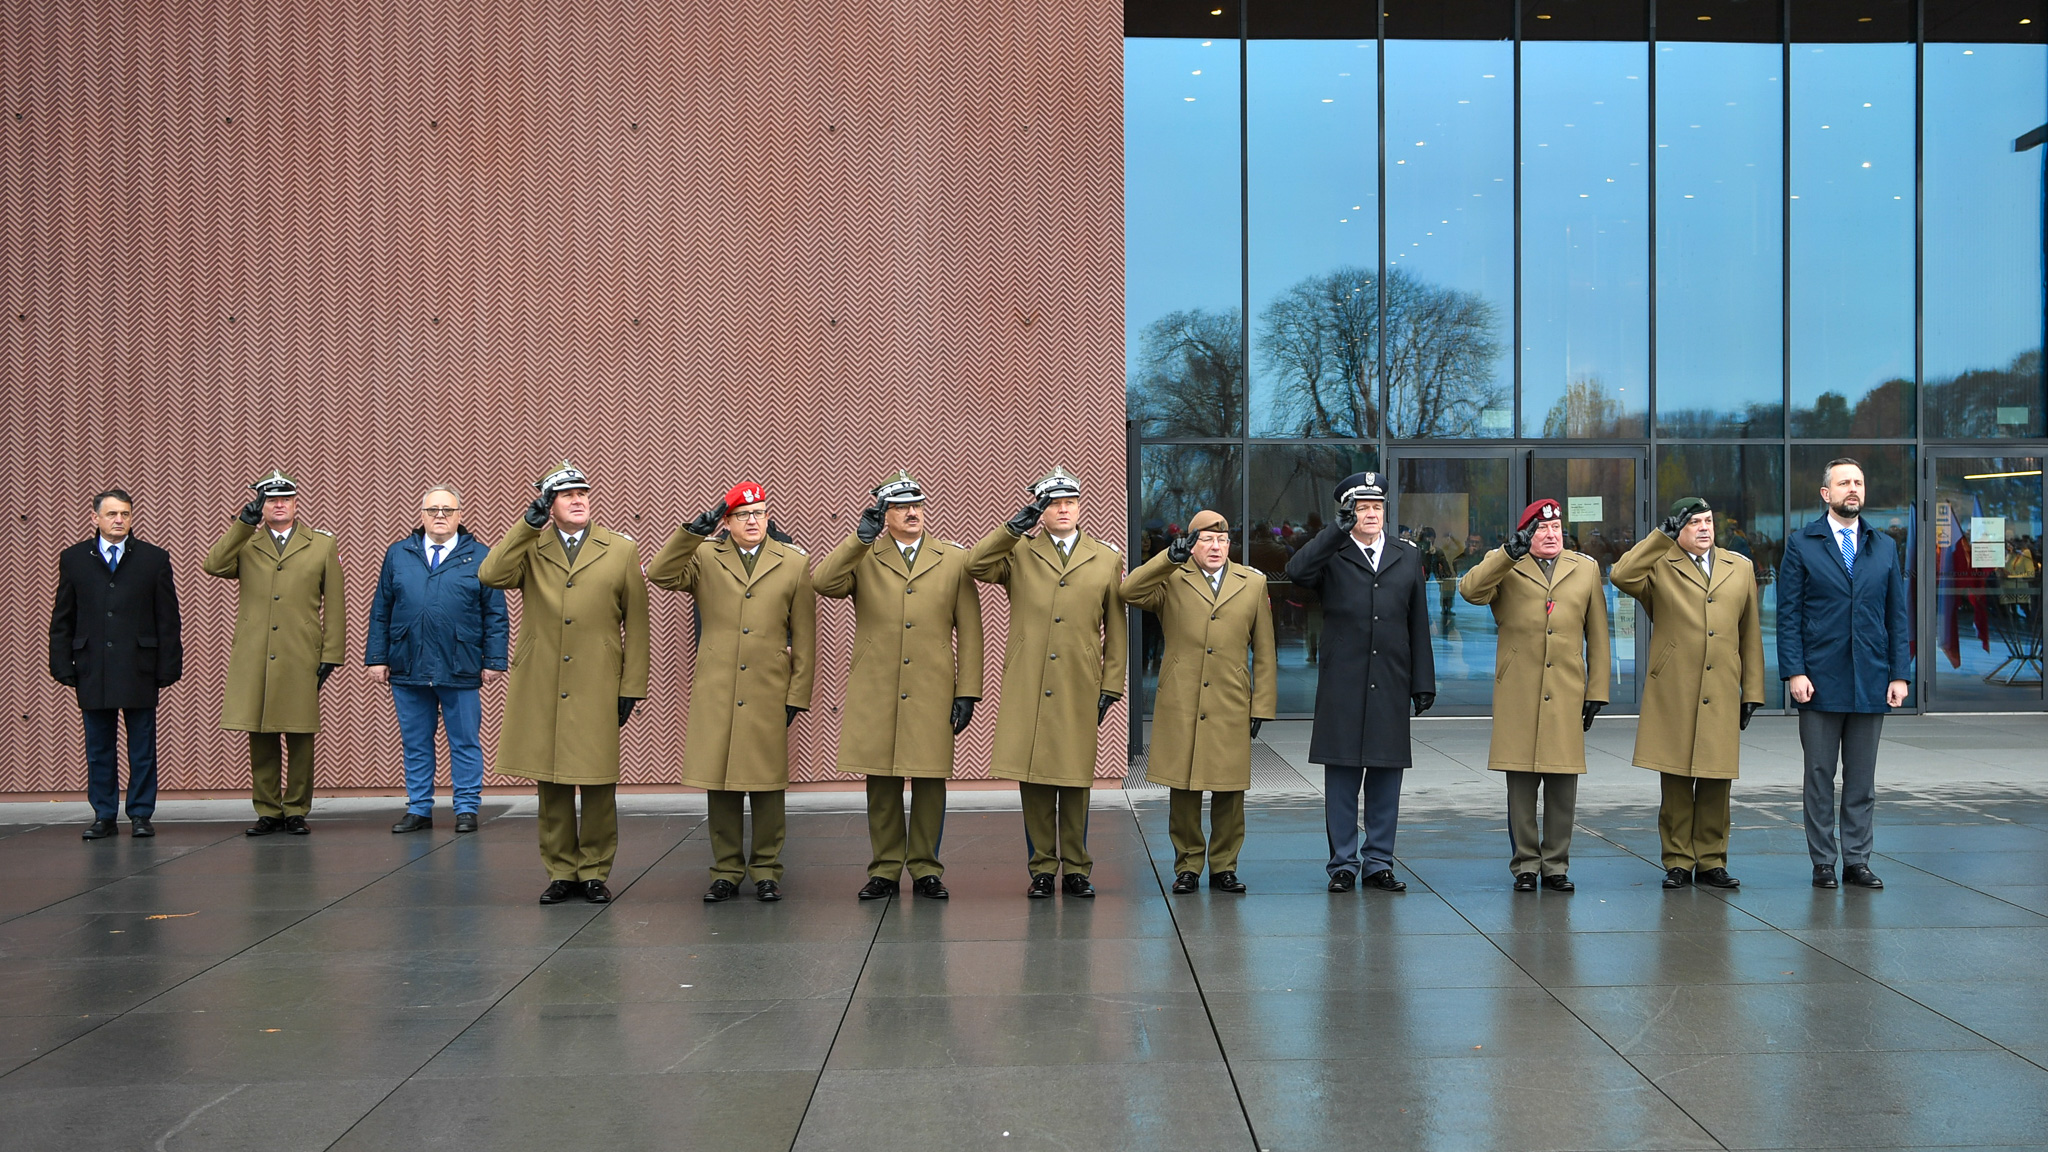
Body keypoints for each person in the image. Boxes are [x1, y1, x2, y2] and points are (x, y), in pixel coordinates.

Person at [479, 462, 650, 905]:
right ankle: (560, 871)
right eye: (566, 495)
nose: (578, 500)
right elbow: (490, 575)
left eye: (582, 493)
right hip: (543, 681)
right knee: (550, 780)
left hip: (598, 680)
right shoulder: (530, 547)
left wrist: (632, 686)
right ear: (548, 504)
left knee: (597, 781)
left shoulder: (619, 548)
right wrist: (526, 526)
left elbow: (637, 622)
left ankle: (593, 871)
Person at [814, 470, 984, 901]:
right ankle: (885, 869)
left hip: (932, 686)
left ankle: (926, 868)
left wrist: (967, 691)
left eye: (917, 505)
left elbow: (970, 630)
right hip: (878, 686)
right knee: (882, 782)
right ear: (883, 514)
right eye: (901, 507)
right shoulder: (863, 556)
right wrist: (858, 540)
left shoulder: (953, 559)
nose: (912, 512)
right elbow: (823, 582)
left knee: (930, 780)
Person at [647, 482, 816, 902]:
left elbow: (805, 635)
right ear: (727, 521)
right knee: (719, 782)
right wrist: (691, 533)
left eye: (759, 513)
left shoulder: (793, 561)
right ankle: (725, 871)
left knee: (768, 784)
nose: (753, 520)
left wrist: (798, 694)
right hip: (719, 685)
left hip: (768, 686)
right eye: (743, 515)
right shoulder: (705, 556)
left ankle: (766, 871)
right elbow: (660, 573)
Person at [968, 467, 1128, 898]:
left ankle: (1076, 869)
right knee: (1034, 778)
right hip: (1030, 681)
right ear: (1041, 510)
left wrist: (1111, 684)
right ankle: (1041, 868)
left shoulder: (1105, 557)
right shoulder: (1019, 552)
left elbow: (1116, 627)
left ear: (1079, 506)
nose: (1063, 509)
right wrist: (1011, 529)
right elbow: (975, 565)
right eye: (1053, 504)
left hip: (1079, 682)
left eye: (1069, 502)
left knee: (1076, 779)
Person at [1282, 472, 1435, 893]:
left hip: (1390, 680)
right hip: (1343, 683)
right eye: (1362, 507)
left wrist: (1423, 682)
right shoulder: (1332, 552)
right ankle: (1343, 865)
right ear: (1348, 512)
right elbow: (1296, 571)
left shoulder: (1406, 555)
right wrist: (1335, 530)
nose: (1370, 514)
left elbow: (1417, 622)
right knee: (1342, 779)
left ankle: (1379, 862)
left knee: (1386, 777)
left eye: (1376, 507)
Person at [1612, 497, 1765, 890]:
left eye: (1708, 521)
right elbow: (1621, 575)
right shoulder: (1659, 564)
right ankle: (1678, 860)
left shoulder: (1739, 567)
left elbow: (1750, 632)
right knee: (1676, 778)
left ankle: (1712, 860)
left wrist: (1752, 691)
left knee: (1717, 777)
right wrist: (1659, 537)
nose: (1703, 528)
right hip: (1675, 686)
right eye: (1694, 522)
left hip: (1722, 686)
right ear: (1678, 528)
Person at [1120, 509, 1275, 894]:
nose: (1216, 547)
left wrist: (1262, 705)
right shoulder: (1172, 578)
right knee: (1184, 789)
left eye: (1222, 540)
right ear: (1191, 545)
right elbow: (1129, 591)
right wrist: (1167, 558)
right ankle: (1187, 865)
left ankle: (1224, 867)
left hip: (1231, 698)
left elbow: (1265, 651)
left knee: (1229, 789)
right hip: (1182, 697)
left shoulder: (1252, 582)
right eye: (1206, 540)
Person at [1459, 499, 1610, 891]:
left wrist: (1597, 690)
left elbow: (1598, 635)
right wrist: (1508, 553)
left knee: (1562, 785)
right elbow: (1470, 591)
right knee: (1521, 785)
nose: (1551, 534)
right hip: (1519, 689)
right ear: (1527, 533)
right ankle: (1525, 864)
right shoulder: (1506, 564)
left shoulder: (1585, 568)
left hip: (1566, 689)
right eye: (1542, 529)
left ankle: (1556, 866)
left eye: (1556, 528)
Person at [1778, 459, 1910, 890]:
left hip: (1871, 678)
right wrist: (1794, 671)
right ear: (1826, 493)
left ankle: (1857, 861)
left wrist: (1899, 674)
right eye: (1844, 483)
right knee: (1819, 777)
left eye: (1858, 482)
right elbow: (1788, 615)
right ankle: (1823, 862)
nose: (1853, 489)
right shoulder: (1802, 544)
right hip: (1819, 680)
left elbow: (1897, 616)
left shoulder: (1883, 546)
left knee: (1861, 780)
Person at [202, 471, 345, 836]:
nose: (279, 505)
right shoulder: (246, 542)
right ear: (261, 506)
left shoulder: (321, 544)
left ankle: (296, 809)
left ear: (296, 504)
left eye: (285, 499)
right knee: (260, 732)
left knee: (300, 735)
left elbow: (335, 602)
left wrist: (331, 653)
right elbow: (213, 565)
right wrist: (242, 525)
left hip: (301, 652)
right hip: (256, 653)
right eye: (271, 500)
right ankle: (268, 810)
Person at [365, 485, 508, 835]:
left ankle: (466, 808)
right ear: (422, 515)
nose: (440, 515)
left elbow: (495, 614)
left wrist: (493, 660)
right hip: (408, 663)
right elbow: (381, 609)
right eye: (432, 510)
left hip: (460, 663)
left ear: (460, 515)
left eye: (447, 510)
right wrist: (377, 658)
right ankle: (419, 809)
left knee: (465, 742)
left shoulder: (481, 555)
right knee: (415, 742)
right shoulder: (398, 554)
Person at [49, 489, 182, 840]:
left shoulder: (154, 559)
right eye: (111, 514)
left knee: (142, 748)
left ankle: (140, 814)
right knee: (99, 748)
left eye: (125, 513)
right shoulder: (74, 558)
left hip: (139, 665)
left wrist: (169, 664)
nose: (119, 520)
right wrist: (61, 662)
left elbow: (168, 618)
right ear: (95, 518)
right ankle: (104, 815)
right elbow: (63, 616)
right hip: (93, 666)